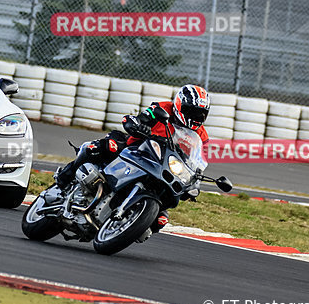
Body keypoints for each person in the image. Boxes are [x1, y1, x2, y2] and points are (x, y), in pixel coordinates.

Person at [51, 84, 211, 233]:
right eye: (191, 111)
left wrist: (194, 182)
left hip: (164, 166)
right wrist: (137, 124)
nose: (195, 116)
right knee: (100, 148)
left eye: (201, 114)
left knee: (161, 219)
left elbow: (197, 162)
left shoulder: (202, 136)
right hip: (137, 147)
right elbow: (142, 117)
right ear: (178, 104)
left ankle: (127, 223)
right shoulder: (163, 108)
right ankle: (63, 180)